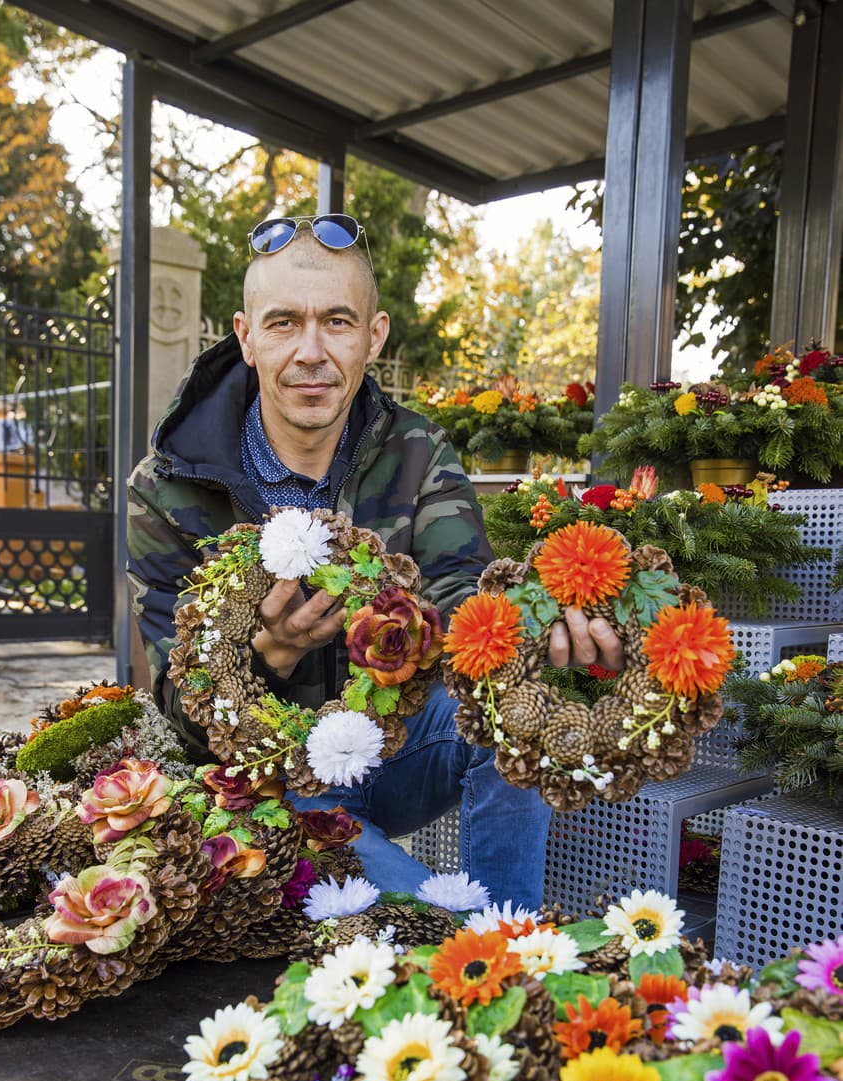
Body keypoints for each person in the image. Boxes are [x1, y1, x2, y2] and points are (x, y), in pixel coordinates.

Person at [127, 214, 624, 907]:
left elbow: (462, 593)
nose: (311, 351)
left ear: (374, 335)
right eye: (282, 324)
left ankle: (510, 928)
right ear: (245, 338)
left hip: (395, 751)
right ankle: (488, 954)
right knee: (424, 920)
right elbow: (178, 702)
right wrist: (267, 654)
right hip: (261, 783)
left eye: (336, 321)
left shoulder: (417, 451)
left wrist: (536, 627)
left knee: (510, 705)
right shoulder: (170, 486)